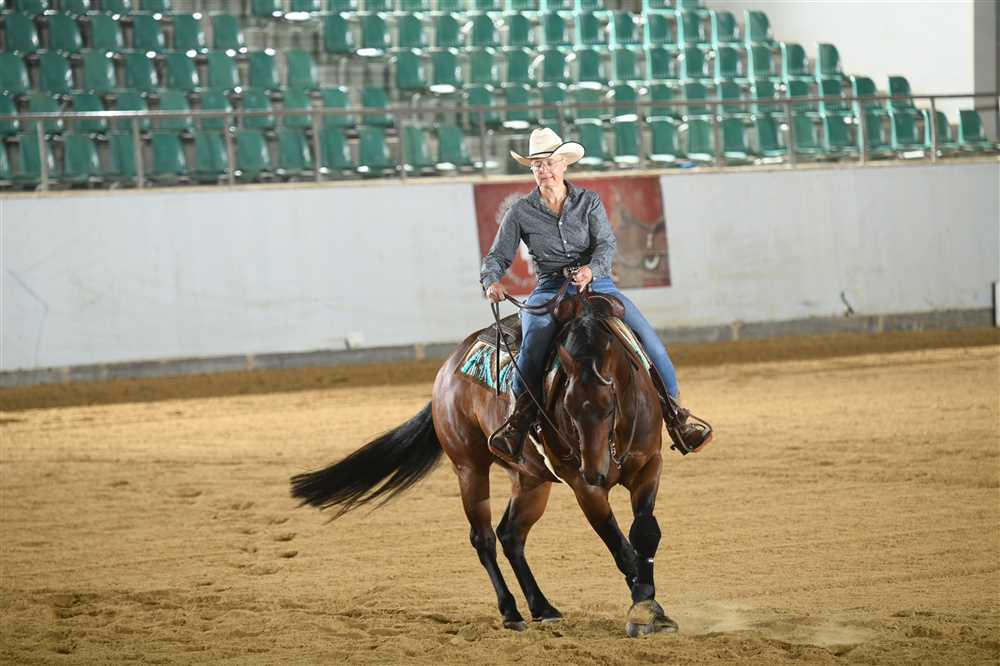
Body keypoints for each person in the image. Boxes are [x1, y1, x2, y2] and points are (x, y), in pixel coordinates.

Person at [481, 127, 713, 463]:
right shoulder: (520, 212)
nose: (544, 170)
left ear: (564, 164)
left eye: (549, 162)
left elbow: (605, 244)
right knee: (532, 346)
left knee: (650, 343)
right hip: (549, 289)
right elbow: (497, 257)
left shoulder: (588, 201)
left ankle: (676, 417)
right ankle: (519, 421)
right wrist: (491, 281)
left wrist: (591, 270)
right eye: (537, 165)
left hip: (598, 285)